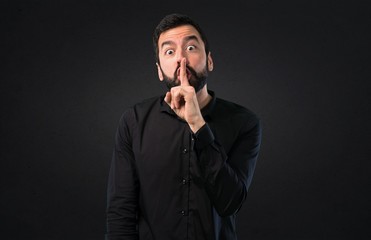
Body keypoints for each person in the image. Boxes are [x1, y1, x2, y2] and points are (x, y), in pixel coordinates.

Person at [105, 13, 262, 240]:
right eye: (170, 51)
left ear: (209, 60)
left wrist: (197, 124)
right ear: (159, 70)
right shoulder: (134, 121)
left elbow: (230, 202)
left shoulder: (245, 122)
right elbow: (121, 211)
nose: (181, 59)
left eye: (190, 48)